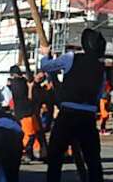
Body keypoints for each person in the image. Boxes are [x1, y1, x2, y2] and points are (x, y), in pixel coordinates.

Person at [40, 27, 106, 182]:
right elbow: (98, 93)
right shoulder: (101, 68)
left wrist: (44, 55)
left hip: (68, 113)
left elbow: (46, 67)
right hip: (88, 116)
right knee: (93, 160)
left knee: (55, 157)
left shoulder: (71, 57)